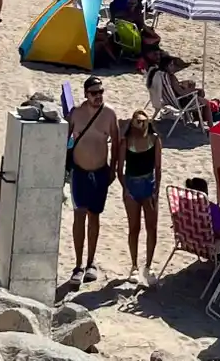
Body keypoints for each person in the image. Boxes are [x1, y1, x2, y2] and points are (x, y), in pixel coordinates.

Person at [68, 77, 120, 285]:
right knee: (79, 216)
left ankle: (91, 262)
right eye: (94, 93)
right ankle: (78, 264)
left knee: (94, 216)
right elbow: (64, 139)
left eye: (101, 92)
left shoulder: (109, 114)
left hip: (100, 172)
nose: (98, 96)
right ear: (86, 94)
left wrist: (114, 169)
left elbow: (116, 143)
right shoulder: (76, 114)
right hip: (79, 172)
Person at [116, 109, 163, 285]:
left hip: (149, 185)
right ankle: (134, 266)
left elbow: (158, 167)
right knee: (134, 228)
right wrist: (126, 189)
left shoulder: (155, 140)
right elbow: (120, 169)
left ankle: (148, 266)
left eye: (144, 121)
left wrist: (156, 191)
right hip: (132, 186)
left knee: (152, 227)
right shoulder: (126, 142)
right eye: (138, 122)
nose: (141, 125)